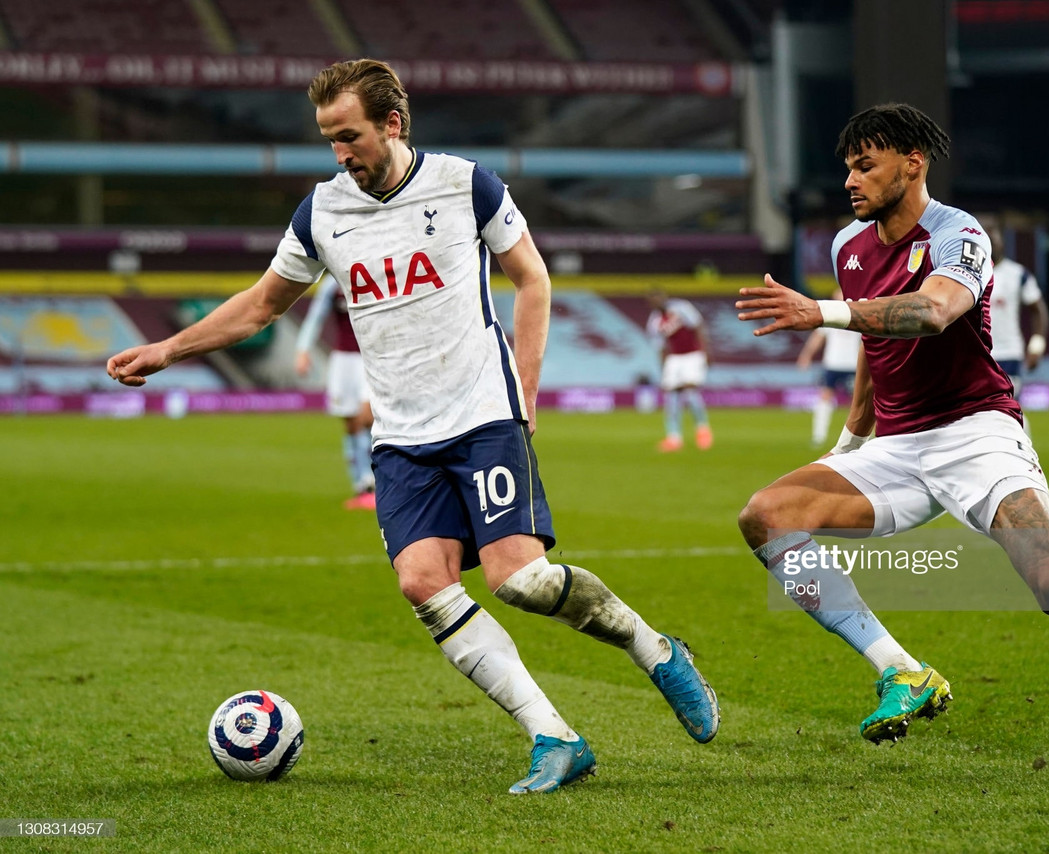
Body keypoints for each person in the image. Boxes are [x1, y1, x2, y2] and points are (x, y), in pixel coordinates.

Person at [106, 58, 719, 794]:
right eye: (328, 139)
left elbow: (533, 276)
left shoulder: (465, 184)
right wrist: (168, 348)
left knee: (519, 580)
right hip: (401, 434)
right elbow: (264, 304)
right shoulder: (322, 211)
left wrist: (524, 387)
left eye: (349, 135)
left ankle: (653, 649)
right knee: (422, 583)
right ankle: (554, 736)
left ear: (392, 124)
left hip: (482, 412)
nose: (339, 153)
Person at [733, 103, 1049, 780]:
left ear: (914, 162)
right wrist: (849, 443)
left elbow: (931, 313)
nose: (851, 180)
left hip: (977, 434)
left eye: (866, 164)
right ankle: (902, 671)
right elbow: (877, 349)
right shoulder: (849, 248)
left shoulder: (957, 233)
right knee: (765, 516)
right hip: (897, 449)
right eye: (847, 166)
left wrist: (820, 312)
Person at [294, 272, 377, 509]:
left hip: (369, 357)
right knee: (351, 423)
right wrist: (303, 350)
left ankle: (378, 480)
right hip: (343, 361)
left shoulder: (374, 275)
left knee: (367, 417)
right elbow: (315, 318)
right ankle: (362, 484)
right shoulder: (332, 285)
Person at [986, 222, 1049, 401]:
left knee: (1008, 408)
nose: (991, 245)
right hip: (978, 352)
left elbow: (1038, 310)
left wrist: (1037, 346)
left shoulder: (1018, 274)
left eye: (994, 240)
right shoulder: (969, 274)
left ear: (1002, 244)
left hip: (1008, 354)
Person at [646, 289, 713, 451]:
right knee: (671, 397)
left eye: (658, 297)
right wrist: (664, 369)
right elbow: (660, 347)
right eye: (653, 299)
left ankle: (702, 430)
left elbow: (698, 326)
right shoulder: (654, 322)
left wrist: (706, 351)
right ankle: (674, 438)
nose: (656, 301)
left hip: (692, 354)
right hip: (674, 359)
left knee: (690, 392)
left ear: (664, 297)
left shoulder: (681, 308)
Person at [795, 289, 862, 446]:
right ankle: (819, 435)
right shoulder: (830, 318)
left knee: (857, 403)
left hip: (852, 365)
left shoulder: (858, 317)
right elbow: (817, 338)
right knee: (824, 397)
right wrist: (806, 355)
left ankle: (858, 438)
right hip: (832, 364)